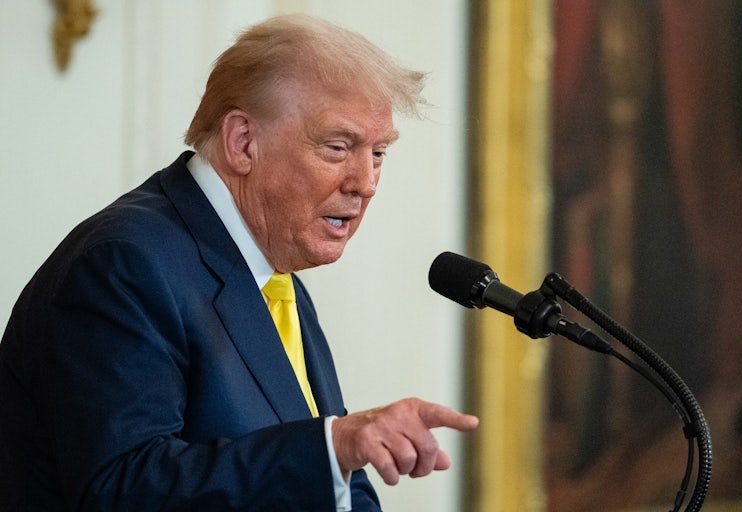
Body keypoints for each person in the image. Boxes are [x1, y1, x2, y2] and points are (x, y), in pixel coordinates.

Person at [0, 13, 478, 511]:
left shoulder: (273, 274)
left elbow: (334, 475)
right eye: (338, 147)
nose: (366, 182)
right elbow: (124, 489)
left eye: (378, 153)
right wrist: (333, 446)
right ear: (242, 141)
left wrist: (337, 452)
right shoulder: (124, 265)